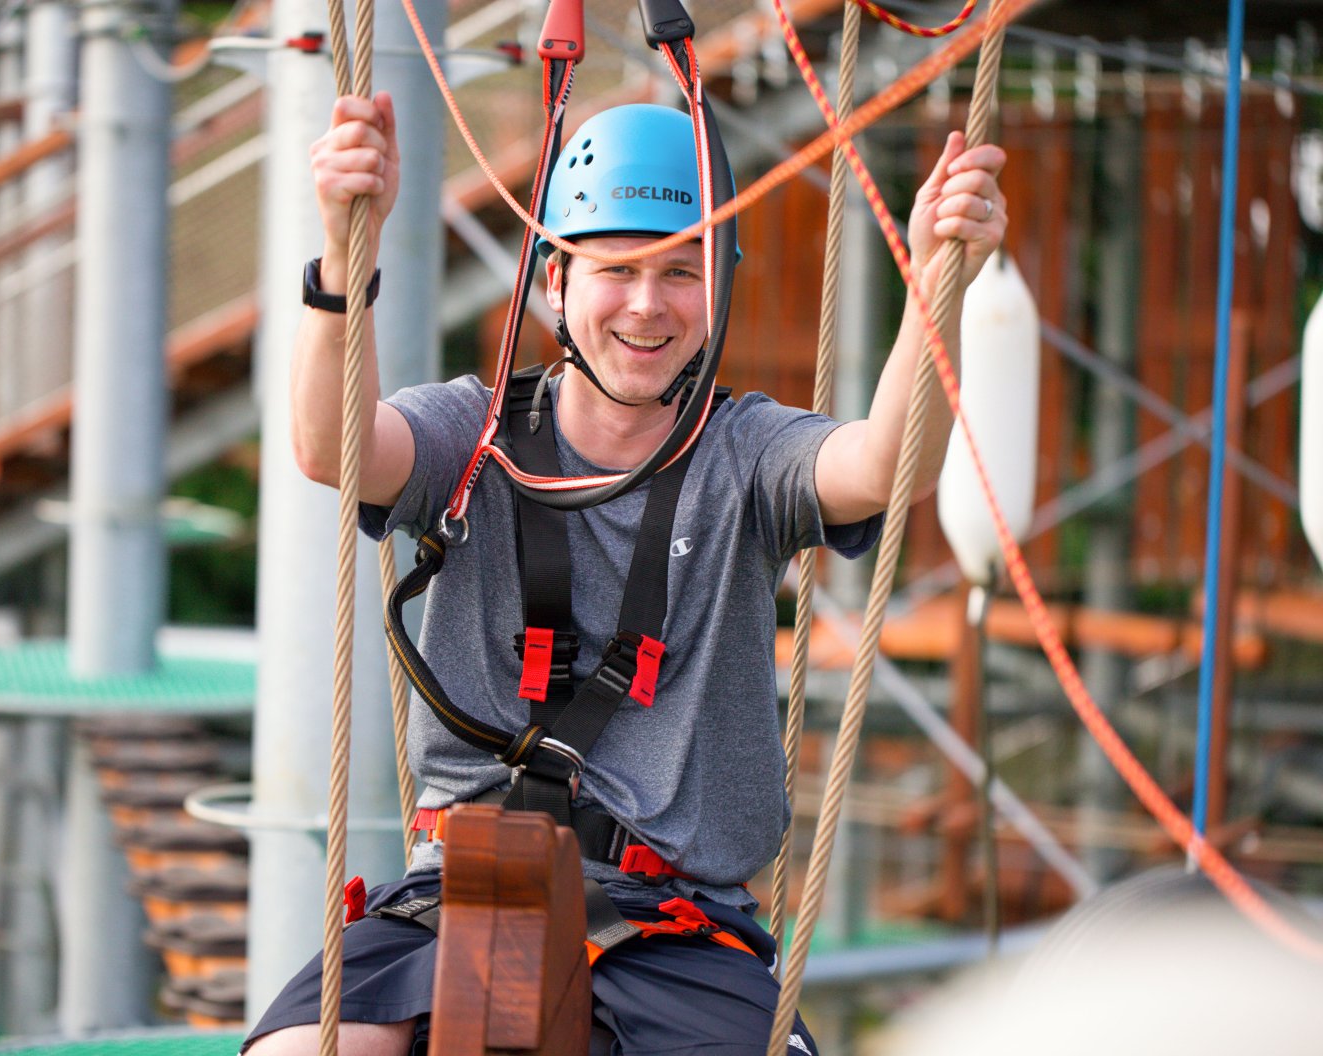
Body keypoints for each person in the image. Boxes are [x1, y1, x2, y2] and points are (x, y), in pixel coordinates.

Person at [245, 91, 1006, 1056]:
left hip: (676, 922)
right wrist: (343, 259)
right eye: (618, 269)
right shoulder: (472, 433)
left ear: (716, 294)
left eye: (682, 272)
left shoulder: (746, 454)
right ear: (556, 285)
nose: (648, 304)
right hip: (463, 889)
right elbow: (334, 447)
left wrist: (939, 282)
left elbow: (884, 467)